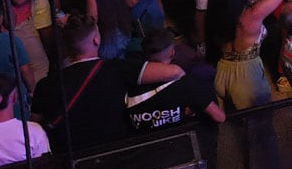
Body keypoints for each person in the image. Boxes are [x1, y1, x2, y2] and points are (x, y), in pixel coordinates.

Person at [30, 14, 185, 152]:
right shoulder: (117, 69)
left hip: (69, 162)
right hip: (115, 152)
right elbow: (175, 72)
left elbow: (35, 127)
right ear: (96, 40)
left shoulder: (45, 85)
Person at [125, 29, 225, 133]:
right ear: (172, 53)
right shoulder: (184, 83)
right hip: (180, 144)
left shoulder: (130, 82)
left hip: (143, 147)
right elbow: (219, 117)